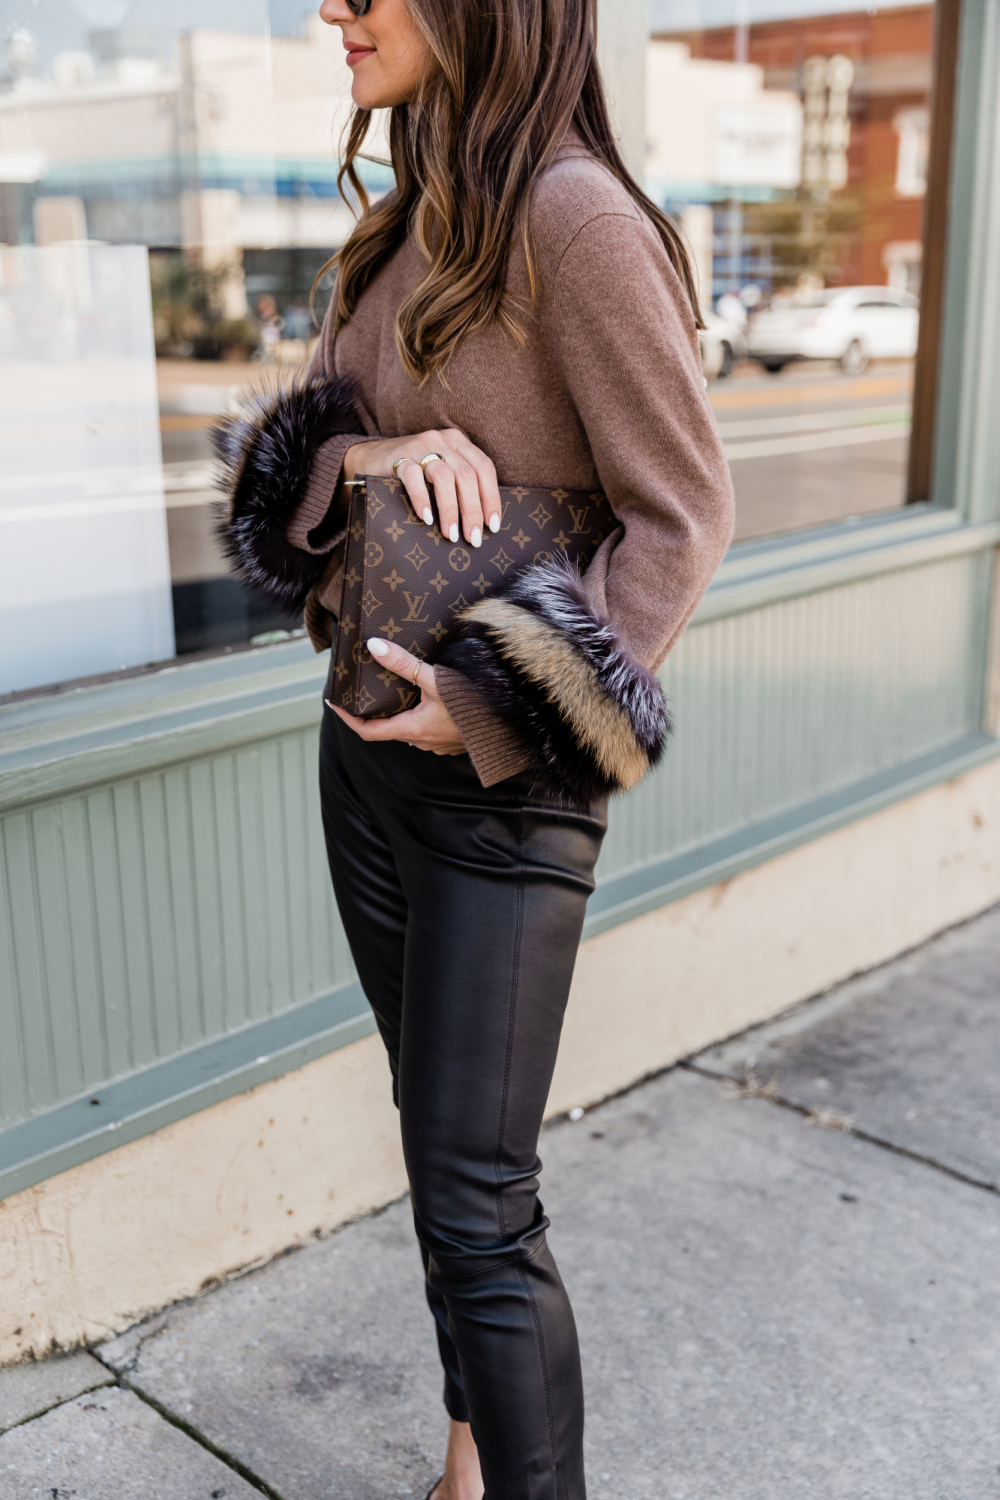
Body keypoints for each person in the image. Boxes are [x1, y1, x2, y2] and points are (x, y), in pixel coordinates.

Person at [214, 0, 734, 1491]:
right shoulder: (401, 228)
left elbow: (683, 512)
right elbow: (302, 461)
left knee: (480, 1206)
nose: (334, 7)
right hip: (365, 763)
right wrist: (371, 452)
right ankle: (466, 1461)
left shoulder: (574, 222)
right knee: (447, 1171)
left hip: (502, 793)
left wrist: (510, 708)